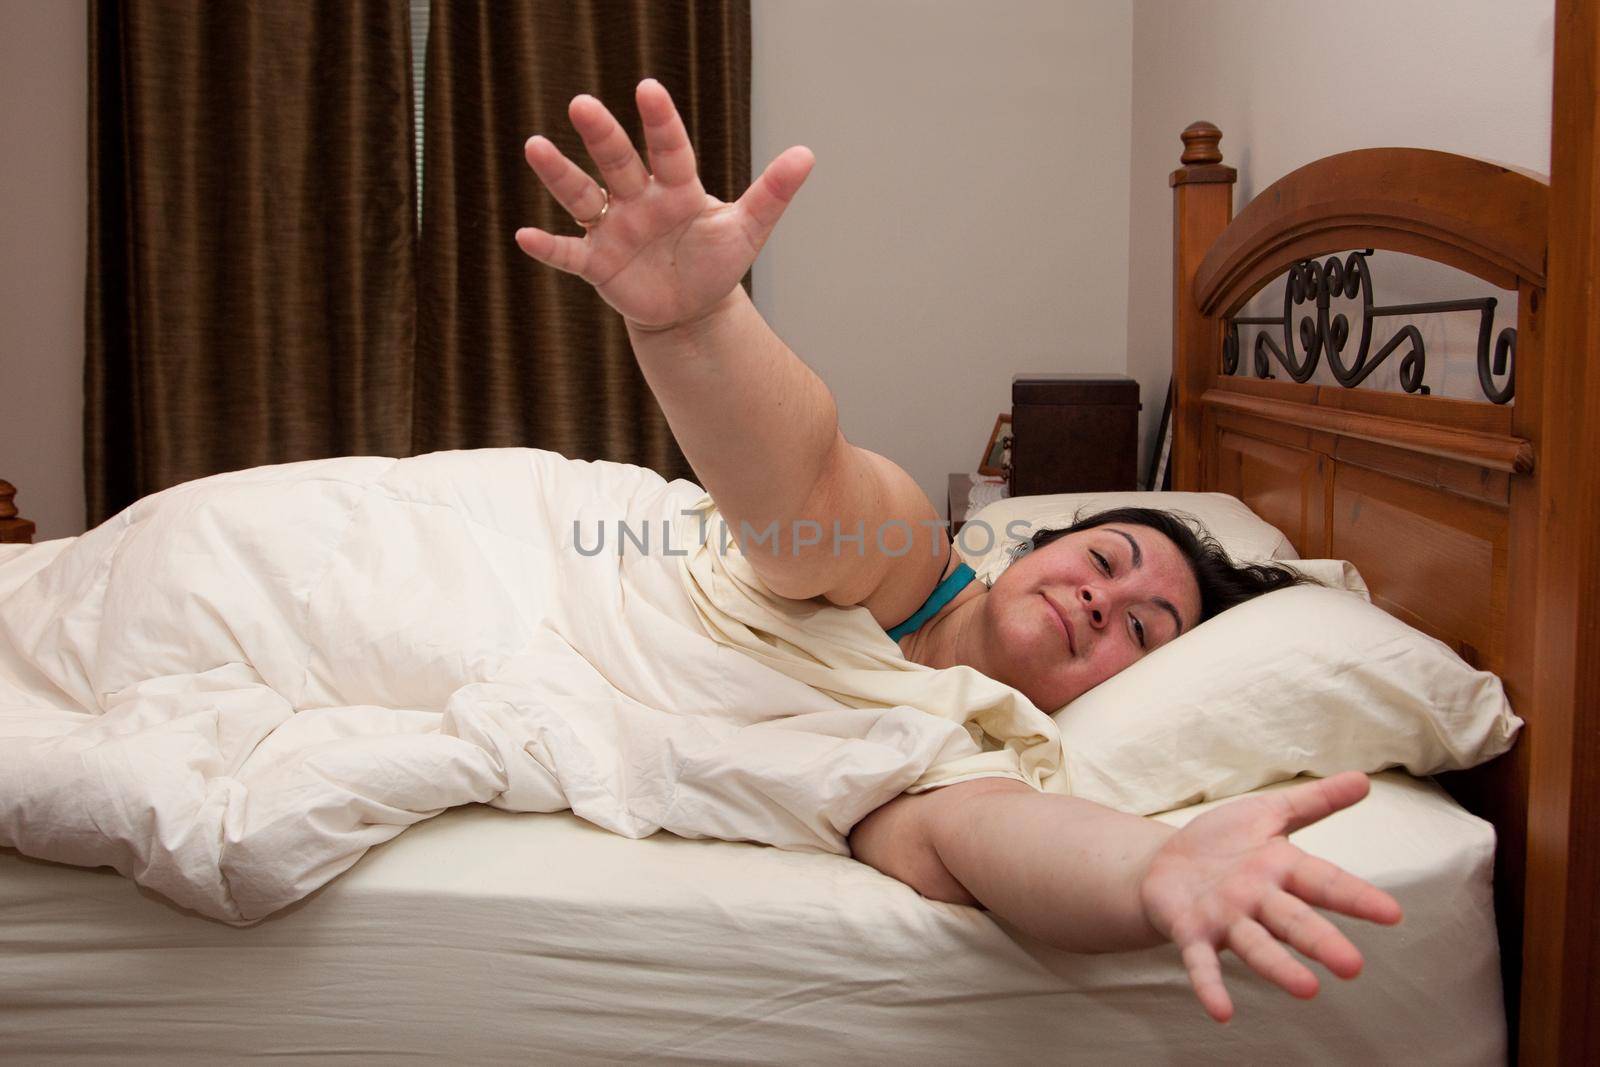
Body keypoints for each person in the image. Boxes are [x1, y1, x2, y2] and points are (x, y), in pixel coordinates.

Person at [514, 79, 1402, 1024]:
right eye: (1104, 563)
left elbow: (980, 835)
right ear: (1028, 545)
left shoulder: (961, 748)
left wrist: (1154, 866)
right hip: (528, 545)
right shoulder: (913, 559)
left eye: (1143, 628)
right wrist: (696, 326)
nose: (1105, 603)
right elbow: (806, 499)